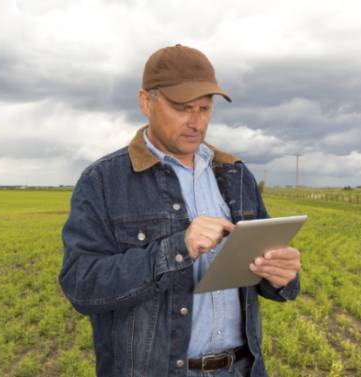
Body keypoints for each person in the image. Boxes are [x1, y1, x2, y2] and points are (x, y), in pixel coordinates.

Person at [59, 44, 301, 377]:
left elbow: (260, 272)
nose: (196, 122)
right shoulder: (103, 181)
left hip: (242, 368)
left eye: (204, 108)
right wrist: (177, 249)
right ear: (146, 102)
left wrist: (281, 275)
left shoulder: (236, 174)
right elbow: (81, 285)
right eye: (183, 108)